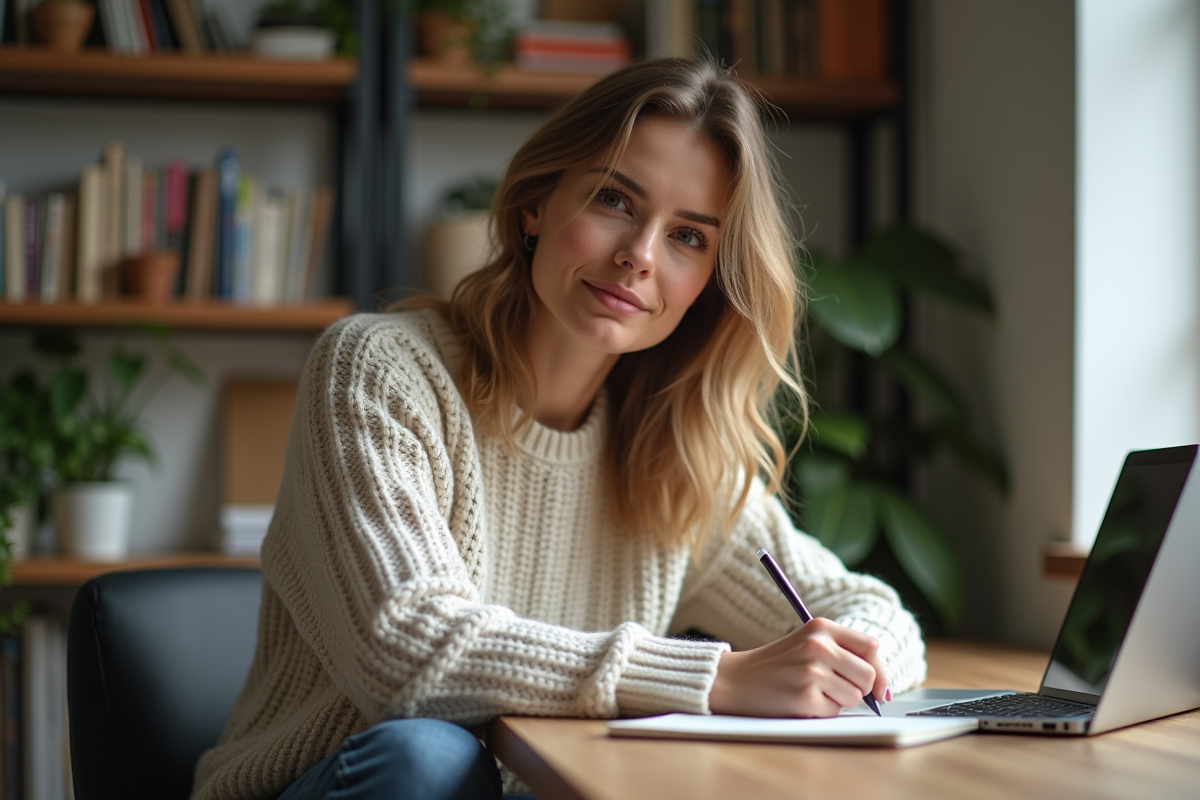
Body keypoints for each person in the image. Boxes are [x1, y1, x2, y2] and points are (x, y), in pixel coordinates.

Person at [192, 57, 926, 800]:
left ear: (709, 282)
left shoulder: (673, 456)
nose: (638, 256)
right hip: (337, 783)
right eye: (615, 199)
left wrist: (852, 668)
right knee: (430, 759)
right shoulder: (380, 372)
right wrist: (719, 678)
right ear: (538, 202)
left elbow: (871, 612)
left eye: (689, 238)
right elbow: (407, 652)